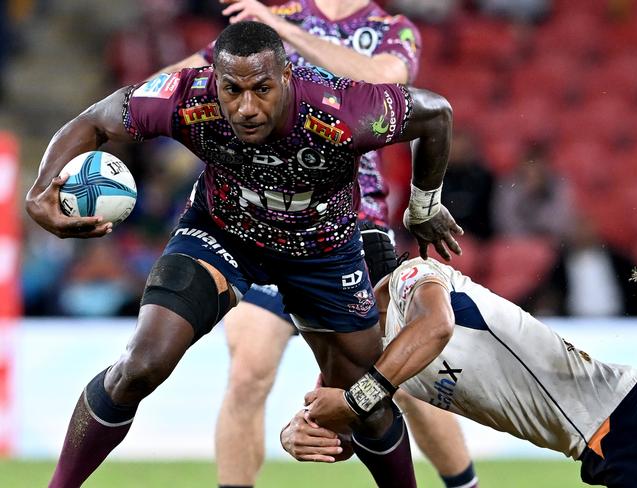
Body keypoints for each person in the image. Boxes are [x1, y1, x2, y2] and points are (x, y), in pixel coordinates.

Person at [25, 21, 463, 488]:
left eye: (262, 88)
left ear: (288, 77)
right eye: (232, 90)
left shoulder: (344, 107)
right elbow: (95, 120)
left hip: (324, 251)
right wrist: (38, 195)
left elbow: (435, 114)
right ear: (215, 81)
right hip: (223, 235)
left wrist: (424, 207)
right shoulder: (185, 96)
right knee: (142, 363)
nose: (247, 107)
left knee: (364, 404)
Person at [160, 2, 478, 487]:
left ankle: (464, 484)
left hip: (352, 223)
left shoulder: (392, 30)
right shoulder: (267, 18)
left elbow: (384, 83)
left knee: (402, 384)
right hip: (258, 218)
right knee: (247, 370)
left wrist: (285, 32)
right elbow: (180, 80)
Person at [283, 231, 637, 488]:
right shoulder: (374, 351)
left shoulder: (413, 277)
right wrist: (298, 432)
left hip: (625, 419)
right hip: (608, 434)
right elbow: (351, 424)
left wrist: (353, 401)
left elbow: (436, 325)